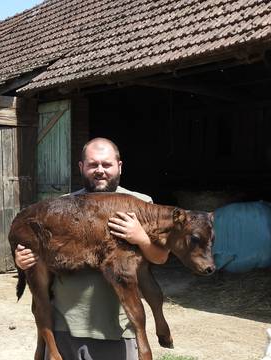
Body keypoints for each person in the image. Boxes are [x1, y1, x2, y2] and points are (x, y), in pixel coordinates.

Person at [15, 137, 169, 360]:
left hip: (117, 329)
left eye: (106, 164)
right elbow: (42, 257)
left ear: (119, 166)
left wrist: (141, 237)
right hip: (65, 326)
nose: (100, 170)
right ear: (81, 167)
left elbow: (160, 257)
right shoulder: (61, 206)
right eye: (92, 164)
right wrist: (24, 260)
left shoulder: (142, 203)